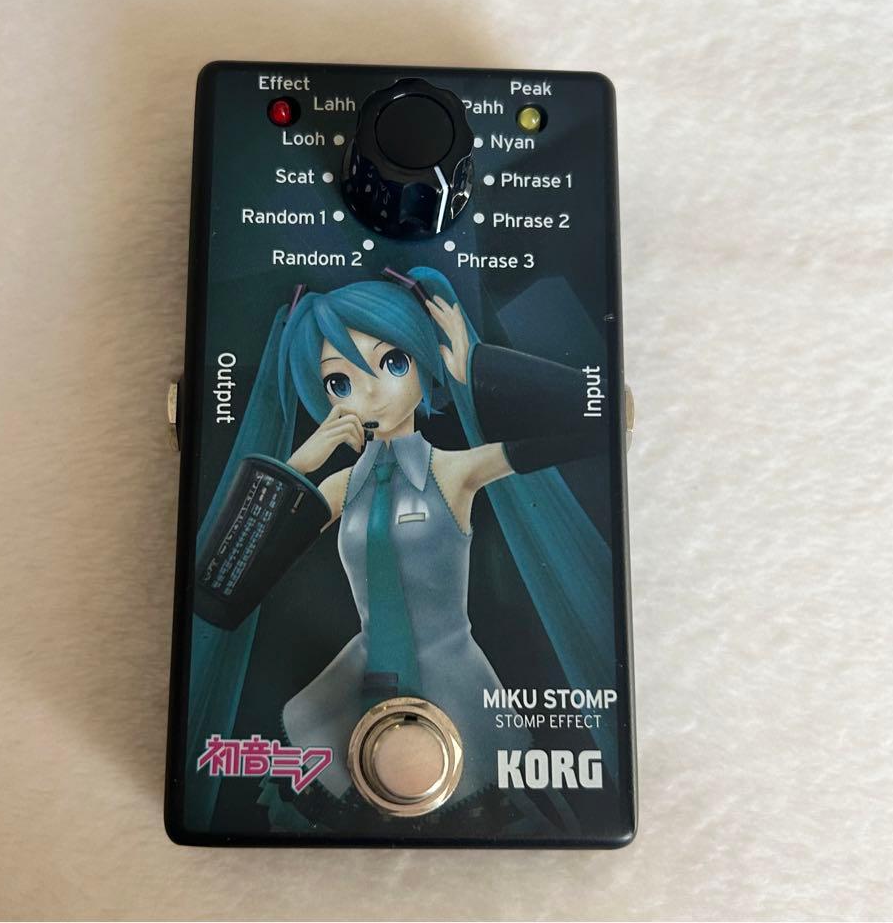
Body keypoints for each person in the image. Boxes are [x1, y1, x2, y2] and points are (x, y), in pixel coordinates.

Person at [190, 267, 614, 834]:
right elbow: (221, 587)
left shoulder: (456, 472)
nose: (368, 391)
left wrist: (477, 366)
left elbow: (597, 419)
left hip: (456, 680)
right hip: (359, 679)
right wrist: (295, 468)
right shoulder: (339, 488)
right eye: (340, 381)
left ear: (421, 358)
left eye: (392, 362)